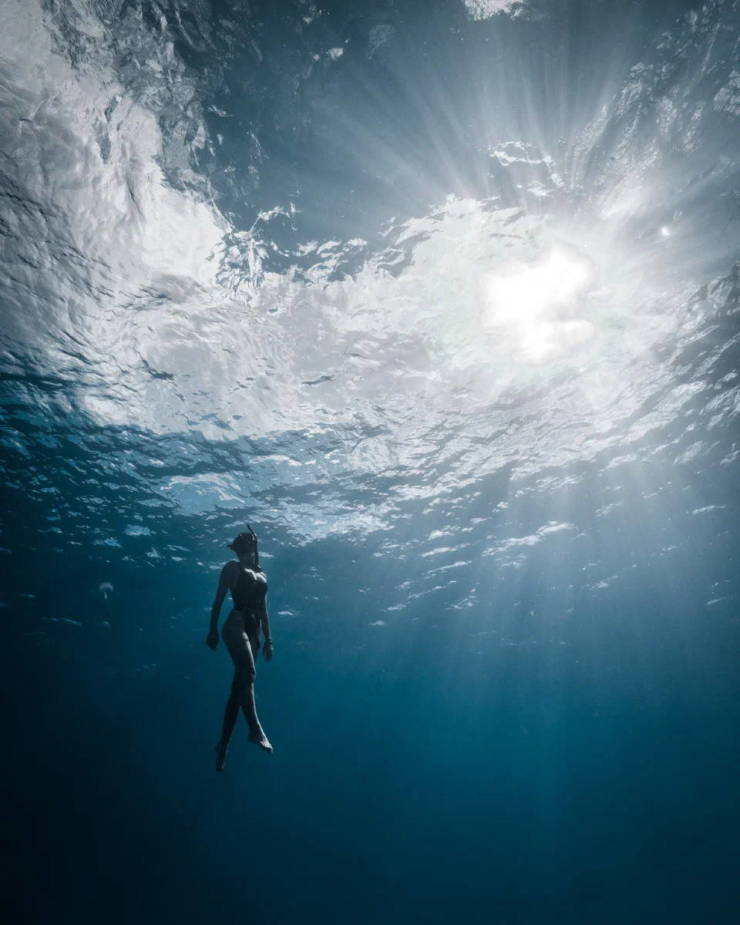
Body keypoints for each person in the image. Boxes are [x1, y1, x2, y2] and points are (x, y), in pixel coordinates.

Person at [206, 526, 274, 770]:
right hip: (235, 626)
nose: (244, 552)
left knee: (238, 690)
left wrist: (269, 640)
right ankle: (255, 730)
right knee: (249, 675)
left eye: (248, 547)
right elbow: (218, 600)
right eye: (242, 548)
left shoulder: (263, 574)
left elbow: (265, 610)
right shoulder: (231, 569)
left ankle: (223, 744)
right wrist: (212, 630)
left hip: (254, 631)